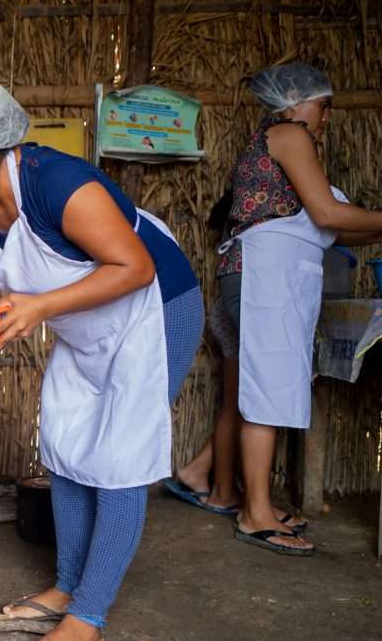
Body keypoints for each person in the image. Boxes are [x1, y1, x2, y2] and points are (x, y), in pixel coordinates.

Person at [0, 84, 203, 640]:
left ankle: (87, 616)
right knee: (64, 445)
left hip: (153, 311)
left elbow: (134, 269)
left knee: (120, 461)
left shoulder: (57, 184)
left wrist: (40, 306)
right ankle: (66, 587)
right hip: (85, 323)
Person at [164, 63, 382, 556]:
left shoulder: (277, 139)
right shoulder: (289, 132)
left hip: (267, 276)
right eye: (325, 105)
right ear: (296, 101)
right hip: (265, 276)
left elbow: (334, 228)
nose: (328, 117)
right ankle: (254, 512)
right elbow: (328, 215)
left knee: (263, 386)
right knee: (265, 390)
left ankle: (253, 501)